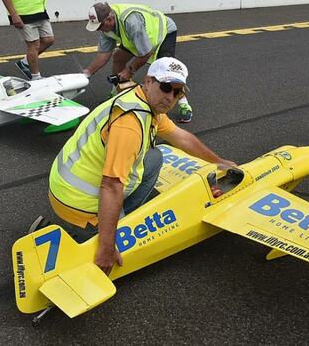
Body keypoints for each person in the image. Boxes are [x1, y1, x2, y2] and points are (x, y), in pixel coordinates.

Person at [48, 57, 235, 275]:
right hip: (78, 205)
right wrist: (107, 248)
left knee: (154, 157)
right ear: (147, 82)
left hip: (64, 188)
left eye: (178, 92)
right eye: (165, 87)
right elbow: (111, 186)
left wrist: (219, 162)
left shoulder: (142, 101)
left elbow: (181, 138)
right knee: (115, 252)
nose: (170, 97)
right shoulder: (130, 125)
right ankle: (92, 233)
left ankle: (107, 222)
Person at [82, 2, 193, 123]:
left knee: (167, 72)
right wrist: (86, 73)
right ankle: (117, 92)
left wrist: (129, 71)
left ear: (109, 19)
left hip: (163, 32)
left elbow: (146, 53)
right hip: (139, 39)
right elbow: (104, 54)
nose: (98, 29)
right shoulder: (106, 28)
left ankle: (184, 104)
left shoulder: (131, 22)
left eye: (99, 26)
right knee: (118, 56)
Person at [1, 0, 54, 80]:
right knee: (34, 45)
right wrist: (14, 14)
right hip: (23, 13)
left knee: (49, 40)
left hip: (40, 10)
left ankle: (25, 62)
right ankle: (36, 77)